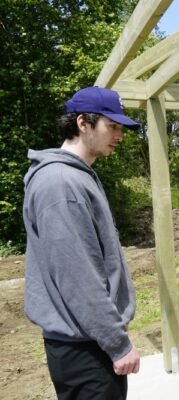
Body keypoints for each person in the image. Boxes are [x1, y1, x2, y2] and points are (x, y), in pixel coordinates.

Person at [23, 86, 142, 400]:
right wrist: (117, 344)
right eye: (112, 126)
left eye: (121, 128)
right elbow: (78, 277)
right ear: (82, 123)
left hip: (88, 341)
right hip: (85, 349)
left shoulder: (76, 176)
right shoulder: (61, 183)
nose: (119, 135)